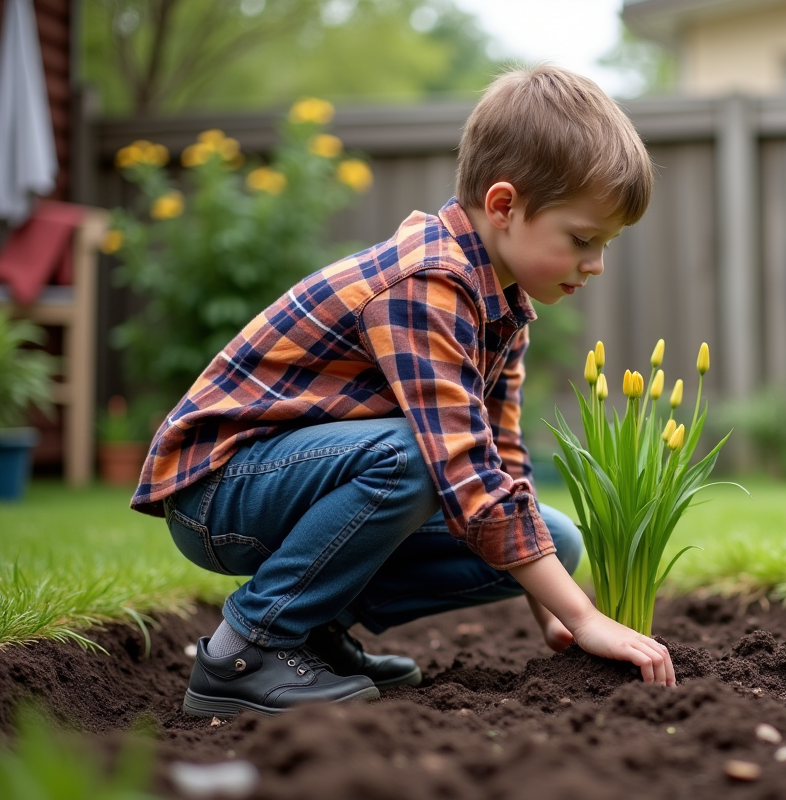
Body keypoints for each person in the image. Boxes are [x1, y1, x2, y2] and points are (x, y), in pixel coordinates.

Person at [130, 65, 675, 718]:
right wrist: (586, 615)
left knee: (557, 539)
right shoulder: (427, 284)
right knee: (417, 456)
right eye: (583, 239)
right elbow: (461, 464)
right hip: (218, 490)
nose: (597, 264)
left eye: (606, 244)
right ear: (504, 206)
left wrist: (552, 614)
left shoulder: (501, 307)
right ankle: (245, 651)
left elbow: (501, 460)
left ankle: (312, 629)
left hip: (293, 487)